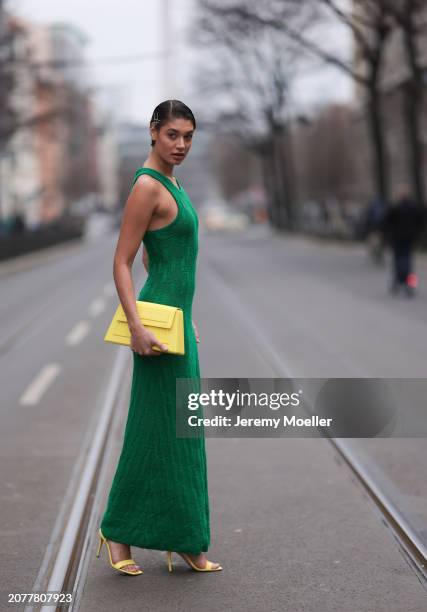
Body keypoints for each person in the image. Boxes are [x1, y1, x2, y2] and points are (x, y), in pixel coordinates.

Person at [97, 100, 222, 575]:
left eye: (189, 136)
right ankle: (121, 533)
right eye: (173, 135)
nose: (182, 144)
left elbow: (160, 256)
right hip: (154, 333)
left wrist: (181, 315)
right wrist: (138, 325)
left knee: (179, 432)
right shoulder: (148, 186)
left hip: (173, 322)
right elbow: (121, 260)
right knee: (158, 430)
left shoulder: (172, 180)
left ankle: (184, 537)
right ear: (153, 131)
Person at [382, 187, 426, 296]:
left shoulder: (395, 208)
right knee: (408, 262)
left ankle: (397, 282)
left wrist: (388, 235)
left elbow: (387, 222)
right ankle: (410, 285)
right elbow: (420, 221)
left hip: (397, 238)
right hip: (410, 238)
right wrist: (416, 234)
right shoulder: (414, 208)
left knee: (398, 261)